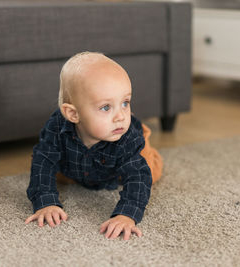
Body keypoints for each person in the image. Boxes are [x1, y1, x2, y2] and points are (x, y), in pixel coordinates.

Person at [25, 51, 163, 240]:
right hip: (76, 165)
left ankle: (144, 137)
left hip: (118, 165)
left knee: (149, 170)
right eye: (106, 107)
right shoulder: (57, 127)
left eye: (125, 103)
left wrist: (126, 215)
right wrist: (45, 202)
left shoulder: (126, 135)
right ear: (73, 114)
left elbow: (138, 177)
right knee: (55, 172)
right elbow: (43, 162)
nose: (121, 116)